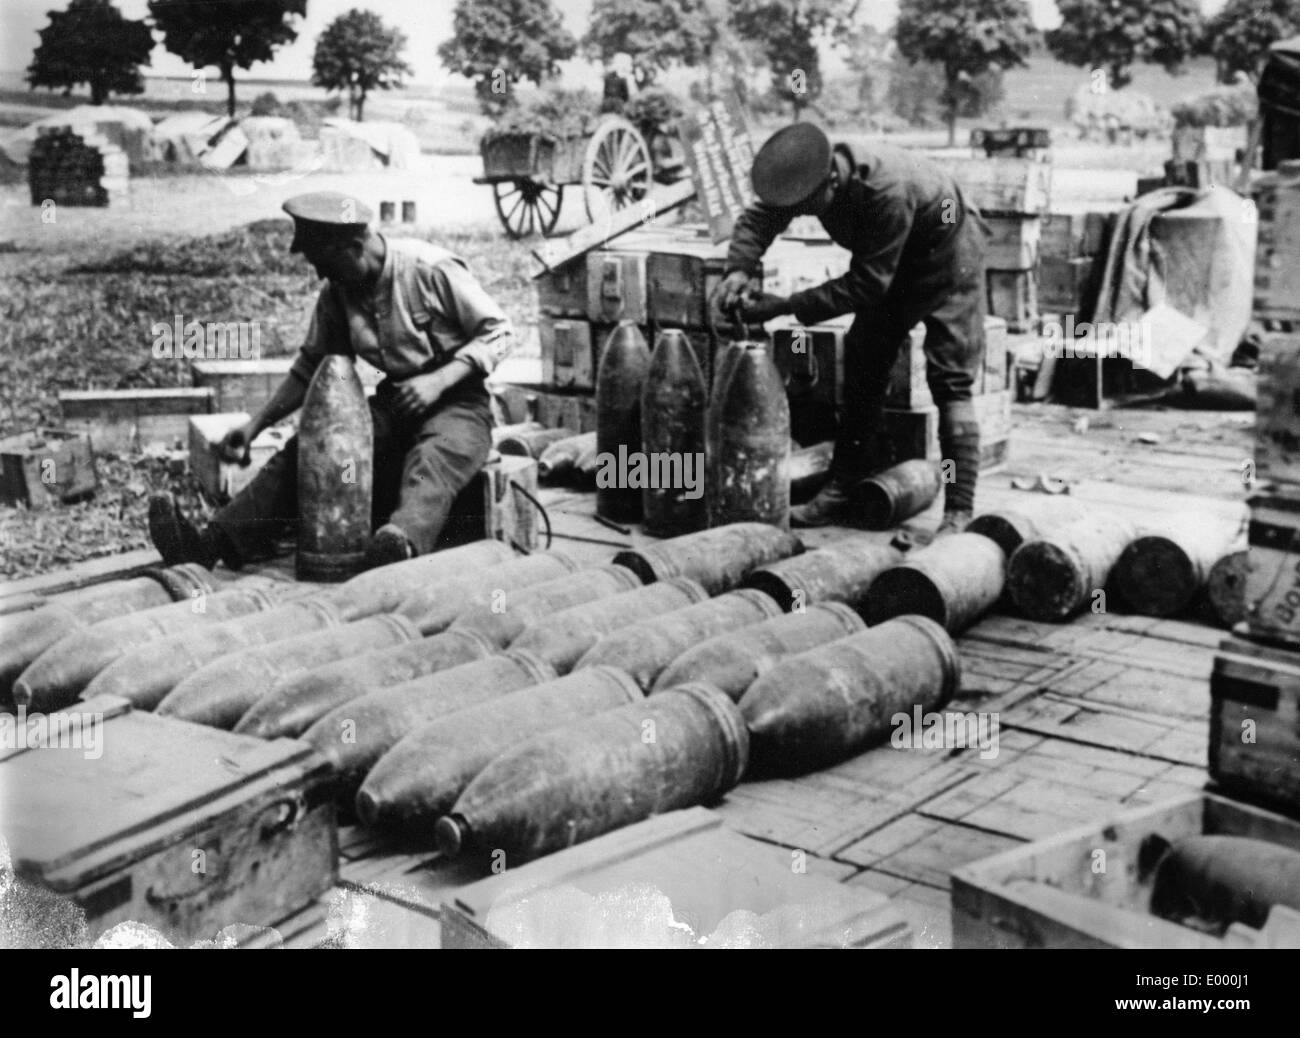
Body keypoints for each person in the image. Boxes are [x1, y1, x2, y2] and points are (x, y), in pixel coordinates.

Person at [148, 191, 516, 571]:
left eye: (324, 263)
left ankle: (399, 544)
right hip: (396, 404)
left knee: (433, 460)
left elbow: (501, 332)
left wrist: (438, 381)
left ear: (354, 247)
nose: (321, 275)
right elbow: (311, 366)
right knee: (312, 447)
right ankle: (213, 543)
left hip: (459, 403)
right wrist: (255, 426)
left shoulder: (429, 270)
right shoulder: (338, 293)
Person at [713, 122, 988, 534]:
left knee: (950, 379)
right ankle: (845, 484)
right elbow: (761, 217)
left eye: (808, 207)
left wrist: (782, 307)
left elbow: (866, 285)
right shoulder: (805, 177)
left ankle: (958, 510)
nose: (801, 213)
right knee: (864, 356)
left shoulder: (886, 192)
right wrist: (738, 269)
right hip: (892, 258)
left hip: (948, 255)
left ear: (833, 182)